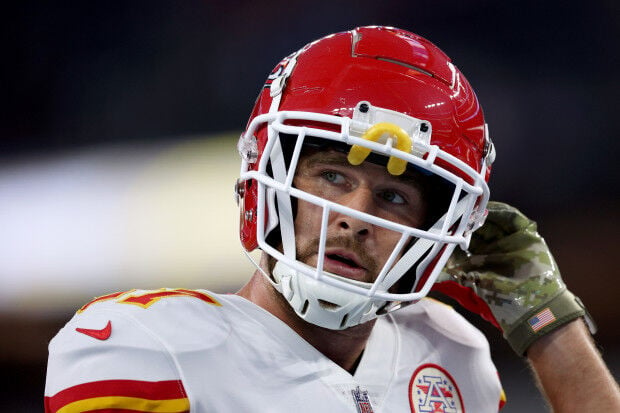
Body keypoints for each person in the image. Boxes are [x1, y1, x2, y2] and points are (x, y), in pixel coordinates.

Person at [44, 26, 619, 412]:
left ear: (443, 227)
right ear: (272, 181)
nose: (354, 218)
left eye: (394, 198)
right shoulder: (144, 350)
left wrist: (549, 326)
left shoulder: (453, 353)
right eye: (333, 178)